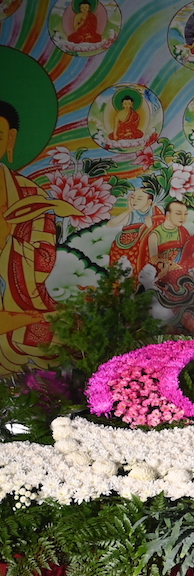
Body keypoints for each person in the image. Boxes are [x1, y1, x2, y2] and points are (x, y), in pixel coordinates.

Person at [0, 100, 82, 374]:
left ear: (10, 139)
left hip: (19, 299)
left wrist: (8, 241)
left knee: (63, 333)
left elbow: (44, 261)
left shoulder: (30, 196)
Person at [107, 186, 161, 272]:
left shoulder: (154, 212)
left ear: (149, 202)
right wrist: (129, 210)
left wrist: (151, 226)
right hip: (124, 245)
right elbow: (110, 224)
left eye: (139, 199)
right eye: (132, 197)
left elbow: (161, 225)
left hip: (142, 245)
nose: (134, 201)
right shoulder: (132, 213)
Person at [147, 201, 191, 279]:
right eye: (178, 214)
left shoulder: (183, 232)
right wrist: (171, 266)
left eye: (185, 214)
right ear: (168, 215)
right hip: (162, 273)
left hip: (183, 271)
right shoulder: (155, 235)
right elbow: (154, 260)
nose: (183, 217)